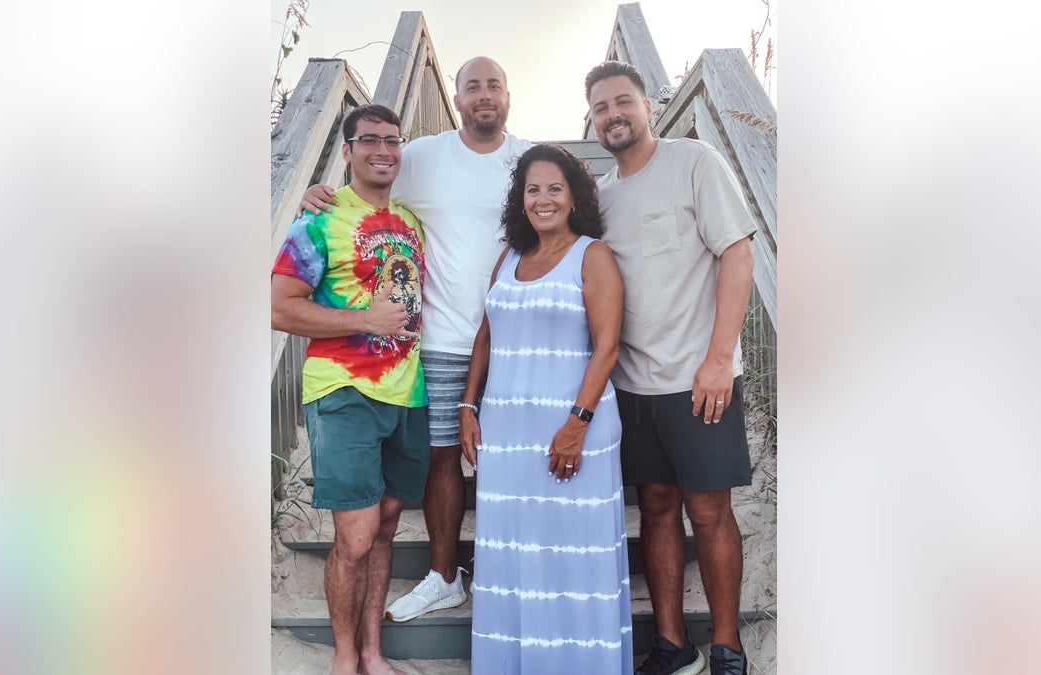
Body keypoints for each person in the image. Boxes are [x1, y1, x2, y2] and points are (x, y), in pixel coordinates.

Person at [300, 57, 532, 622]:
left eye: (493, 85)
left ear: (508, 95)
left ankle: (517, 573)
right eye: (471, 85)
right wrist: (318, 191)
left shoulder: (532, 160)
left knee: (518, 459)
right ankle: (445, 577)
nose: (483, 95)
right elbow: (367, 179)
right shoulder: (423, 155)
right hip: (446, 336)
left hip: (522, 338)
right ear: (456, 98)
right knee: (441, 459)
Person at [585, 60, 758, 675]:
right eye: (601, 107)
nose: (613, 115)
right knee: (656, 506)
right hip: (633, 385)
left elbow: (738, 253)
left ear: (649, 104)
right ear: (592, 119)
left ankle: (728, 647)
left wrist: (719, 359)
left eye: (622, 102)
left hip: (699, 379)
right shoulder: (600, 199)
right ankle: (671, 643)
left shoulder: (693, 162)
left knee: (709, 511)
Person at [458, 143, 631, 673]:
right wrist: (469, 404)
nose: (543, 199)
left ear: (574, 196)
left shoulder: (592, 255)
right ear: (521, 199)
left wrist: (576, 425)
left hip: (573, 429)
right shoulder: (508, 258)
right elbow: (486, 333)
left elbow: (607, 347)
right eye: (533, 189)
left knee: (572, 560)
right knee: (513, 555)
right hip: (508, 436)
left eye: (555, 188)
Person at [271, 104, 426, 675]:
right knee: (356, 537)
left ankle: (371, 651)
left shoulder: (412, 221)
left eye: (392, 140)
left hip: (407, 393)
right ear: (347, 150)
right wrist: (364, 321)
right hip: (342, 391)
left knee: (385, 527)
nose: (382, 150)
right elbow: (278, 307)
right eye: (369, 140)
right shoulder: (319, 220)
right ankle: (343, 656)